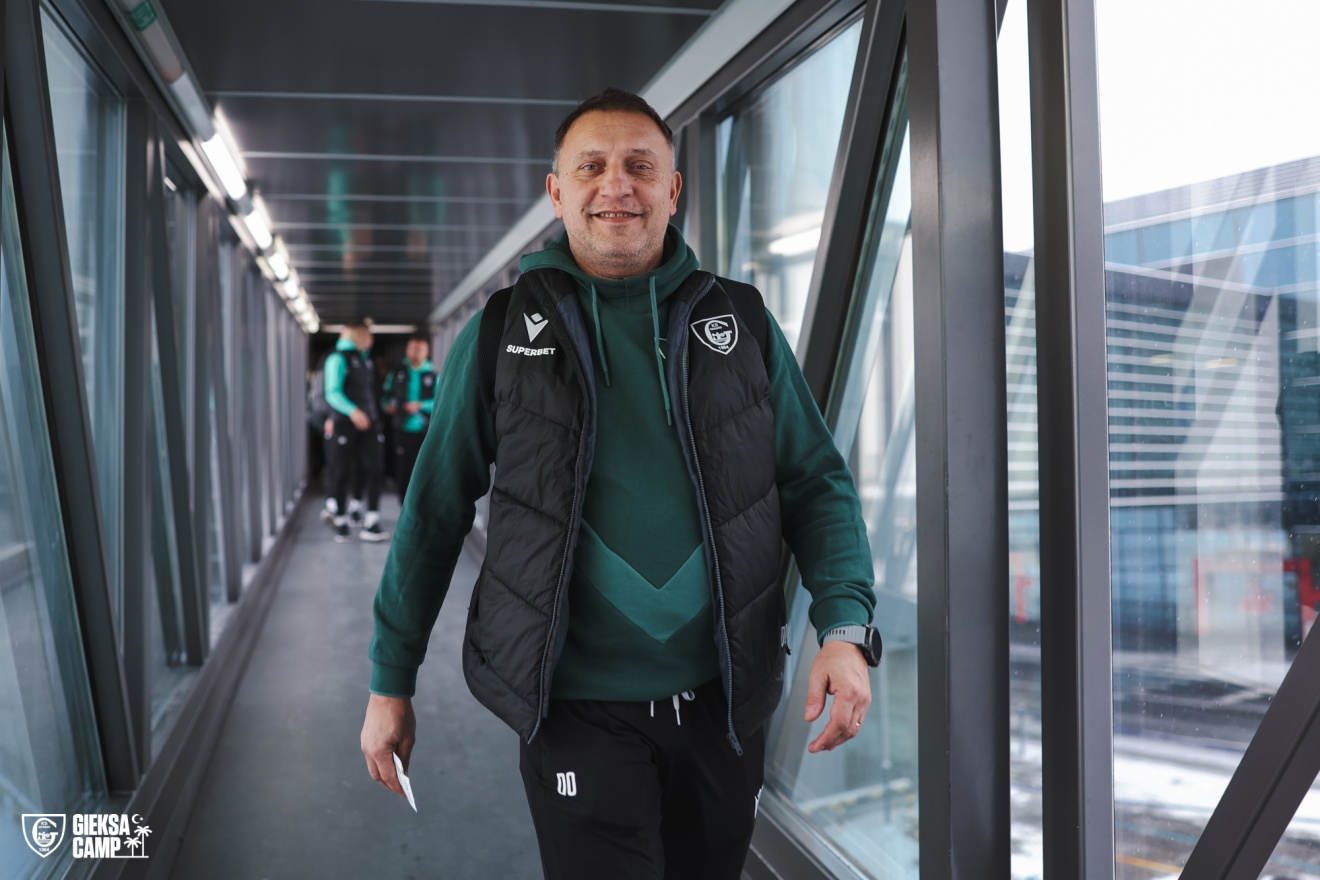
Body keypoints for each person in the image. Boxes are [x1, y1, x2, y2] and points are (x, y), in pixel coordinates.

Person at [360, 88, 880, 879]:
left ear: (673, 190)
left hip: (724, 704)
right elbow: (434, 511)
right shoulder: (501, 332)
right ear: (556, 191)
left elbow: (815, 483)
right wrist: (389, 681)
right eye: (591, 167)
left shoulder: (741, 322)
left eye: (641, 166)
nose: (617, 185)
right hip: (574, 709)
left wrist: (843, 628)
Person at [324, 320, 389, 543]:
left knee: (375, 468)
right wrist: (352, 411)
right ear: (358, 335)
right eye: (368, 335)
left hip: (369, 423)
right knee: (341, 471)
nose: (371, 340)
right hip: (345, 422)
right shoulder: (337, 358)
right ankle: (341, 522)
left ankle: (371, 520)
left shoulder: (365, 360)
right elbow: (332, 392)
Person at [381, 333, 437, 503]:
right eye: (412, 348)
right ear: (406, 350)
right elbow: (385, 396)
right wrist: (387, 405)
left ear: (427, 352)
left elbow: (441, 402)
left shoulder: (433, 375)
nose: (415, 352)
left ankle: (421, 503)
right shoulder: (397, 373)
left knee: (423, 468)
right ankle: (403, 504)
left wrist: (420, 405)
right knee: (402, 468)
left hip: (425, 430)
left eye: (419, 349)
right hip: (401, 428)